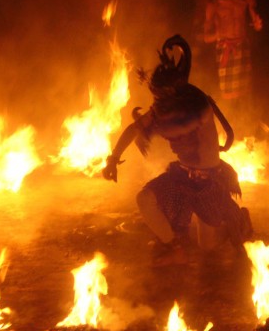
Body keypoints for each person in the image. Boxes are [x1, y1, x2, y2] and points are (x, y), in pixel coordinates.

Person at [102, 35, 252, 266]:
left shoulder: (197, 105)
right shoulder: (165, 107)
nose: (157, 100)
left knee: (208, 246)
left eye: (162, 95)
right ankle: (174, 246)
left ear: (174, 91)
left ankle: (239, 222)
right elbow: (135, 128)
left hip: (209, 183)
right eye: (156, 95)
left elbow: (178, 128)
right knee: (145, 199)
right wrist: (113, 158)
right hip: (181, 177)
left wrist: (149, 129)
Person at [202, 0, 262, 126]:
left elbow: (255, 22)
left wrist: (257, 23)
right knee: (228, 94)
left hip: (242, 47)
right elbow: (206, 37)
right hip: (226, 49)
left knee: (246, 91)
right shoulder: (213, 5)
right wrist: (217, 35)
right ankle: (227, 126)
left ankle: (248, 125)